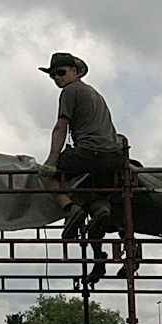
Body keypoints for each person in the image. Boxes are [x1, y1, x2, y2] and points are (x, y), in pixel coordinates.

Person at [36, 52, 124, 241]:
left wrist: (52, 160)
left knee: (46, 174)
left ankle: (71, 209)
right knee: (98, 191)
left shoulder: (70, 91)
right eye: (52, 75)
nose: (57, 78)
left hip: (89, 152)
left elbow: (61, 126)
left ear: (74, 71)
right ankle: (102, 212)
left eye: (61, 72)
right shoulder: (94, 93)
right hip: (113, 157)